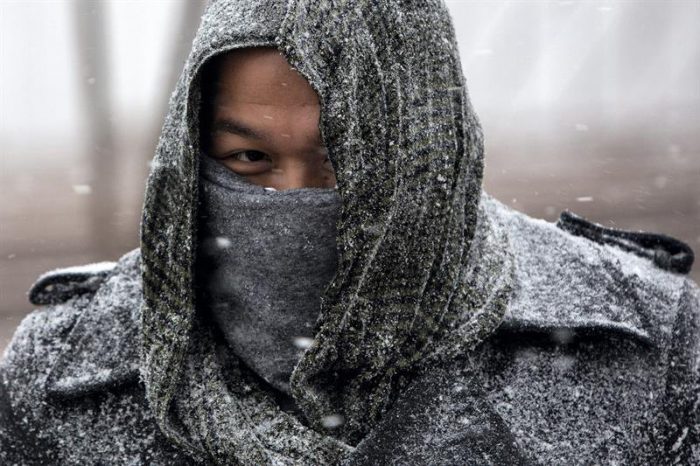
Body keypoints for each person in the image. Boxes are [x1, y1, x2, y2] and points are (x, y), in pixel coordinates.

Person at [1, 0, 698, 464]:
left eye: (345, 160)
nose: (292, 199)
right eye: (249, 158)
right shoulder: (63, 375)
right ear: (190, 158)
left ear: (432, 153)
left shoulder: (648, 348)